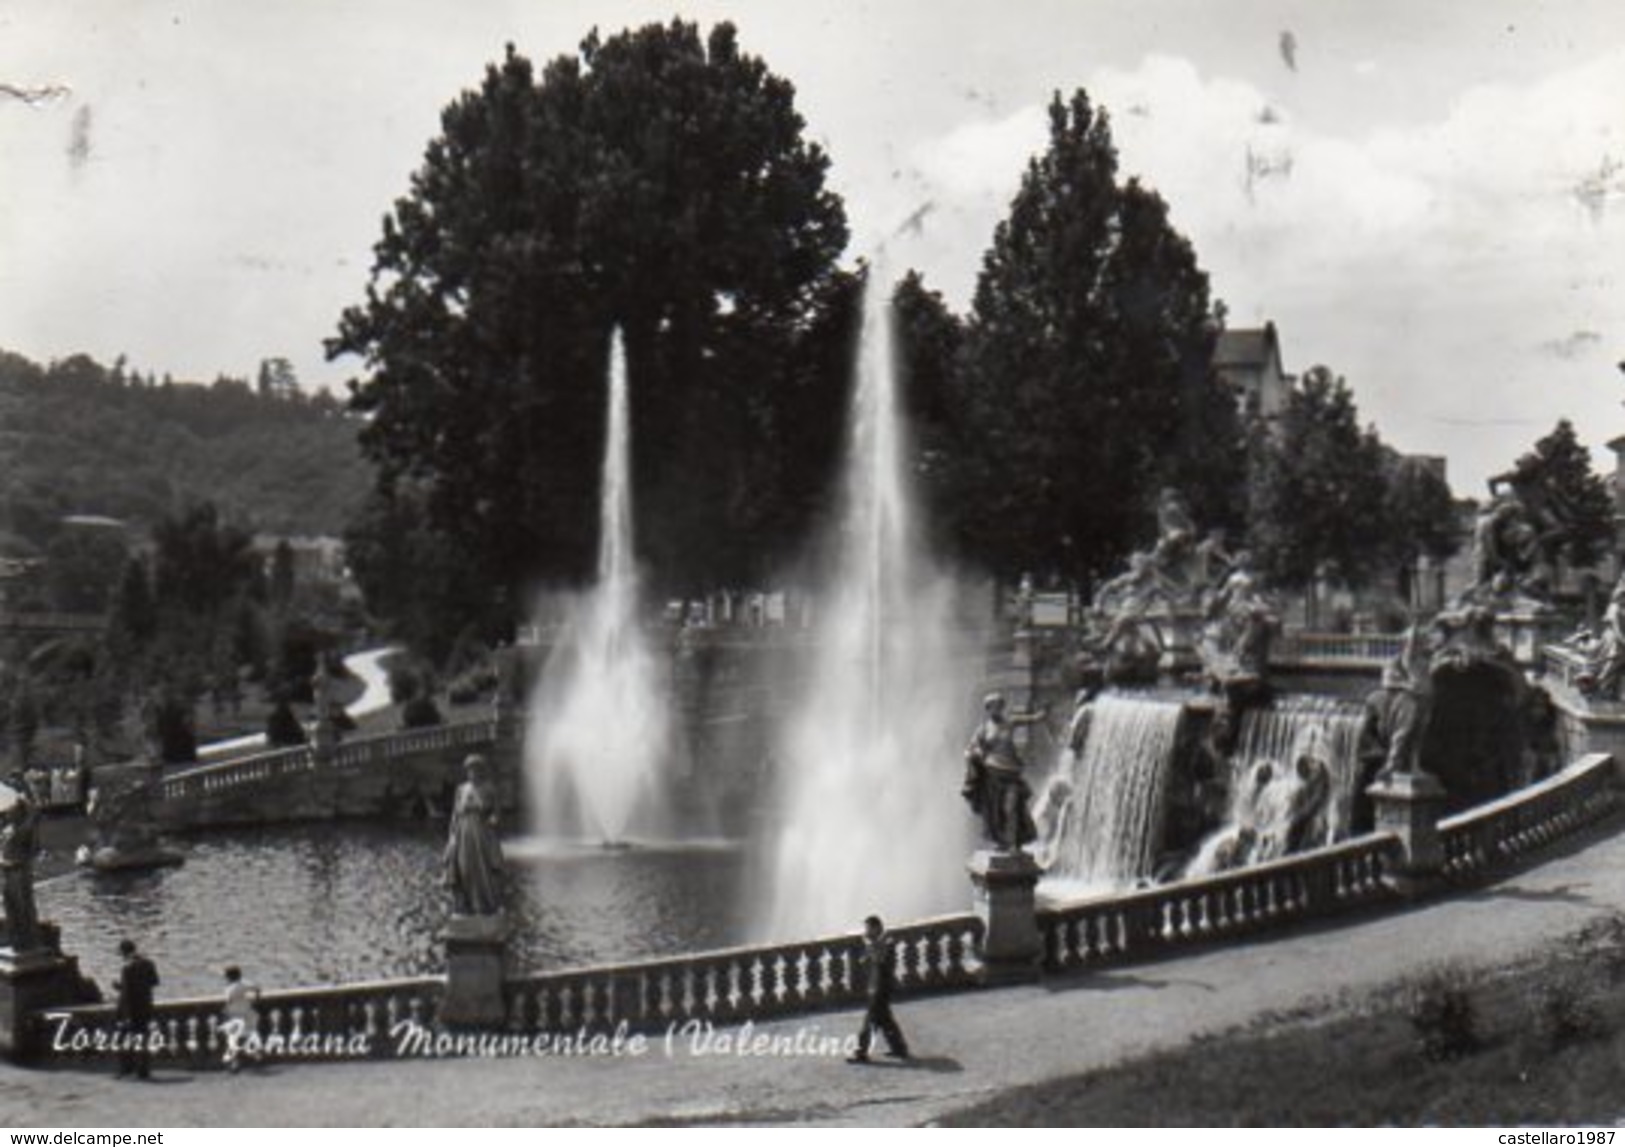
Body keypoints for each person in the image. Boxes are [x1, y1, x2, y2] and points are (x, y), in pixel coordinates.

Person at [962, 692, 1047, 851]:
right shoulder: (983, 730)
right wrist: (975, 754)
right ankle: (1003, 842)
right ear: (988, 709)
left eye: (999, 706)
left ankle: (1013, 844)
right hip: (992, 776)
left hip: (1010, 775)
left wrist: (1041, 715)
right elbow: (970, 748)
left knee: (1011, 808)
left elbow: (1031, 719)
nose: (996, 709)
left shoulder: (1010, 722)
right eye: (993, 706)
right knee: (997, 813)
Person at [443, 754, 506, 916]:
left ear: (481, 771)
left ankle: (485, 904)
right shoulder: (461, 789)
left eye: (475, 769)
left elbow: (497, 813)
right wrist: (452, 835)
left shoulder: (489, 788)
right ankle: (465, 904)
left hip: (481, 832)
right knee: (464, 866)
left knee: (483, 868)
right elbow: (455, 814)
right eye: (469, 770)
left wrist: (493, 820)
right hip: (463, 831)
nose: (472, 773)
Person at [847, 915, 909, 1064]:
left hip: (882, 986)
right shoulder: (878, 942)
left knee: (870, 1020)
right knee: (885, 1019)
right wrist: (869, 945)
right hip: (878, 985)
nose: (866, 931)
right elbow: (863, 960)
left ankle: (861, 1052)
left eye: (868, 928)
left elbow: (879, 958)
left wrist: (870, 945)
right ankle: (899, 1047)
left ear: (876, 928)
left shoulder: (886, 941)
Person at [115, 939, 160, 1080]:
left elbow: (127, 994)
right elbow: (155, 982)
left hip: (131, 1009)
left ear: (124, 952)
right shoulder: (149, 963)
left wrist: (118, 987)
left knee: (122, 1040)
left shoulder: (127, 968)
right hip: (146, 1006)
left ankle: (127, 1069)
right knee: (143, 1038)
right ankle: (143, 1070)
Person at [221, 965, 260, 1073]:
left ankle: (235, 1063)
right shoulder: (247, 984)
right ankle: (255, 1056)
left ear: (230, 977)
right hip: (248, 1014)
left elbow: (228, 1003)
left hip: (235, 1016)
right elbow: (256, 993)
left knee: (232, 1040)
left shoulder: (230, 989)